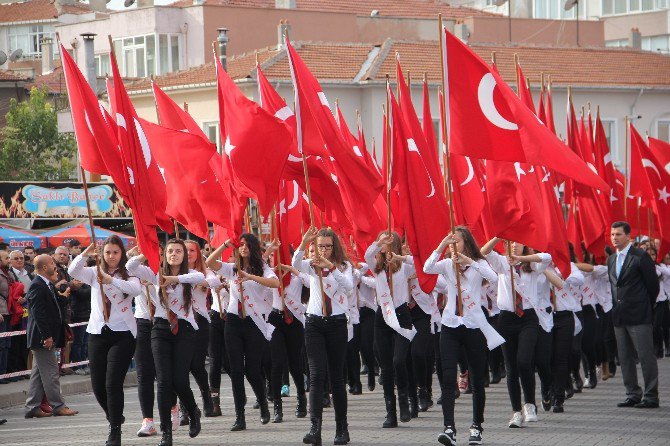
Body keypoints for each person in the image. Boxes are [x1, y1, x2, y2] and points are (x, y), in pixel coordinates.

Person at [424, 228, 501, 446]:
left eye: (455, 241)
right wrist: (440, 246)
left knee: (477, 379)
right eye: (450, 242)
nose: (452, 246)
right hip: (450, 325)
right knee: (448, 379)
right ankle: (449, 428)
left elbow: (493, 278)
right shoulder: (448, 265)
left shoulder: (479, 264)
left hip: (473, 326)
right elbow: (427, 268)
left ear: (466, 243)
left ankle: (477, 426)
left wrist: (471, 261)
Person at [128, 239, 205, 446]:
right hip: (160, 328)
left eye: (178, 251)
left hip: (184, 329)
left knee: (179, 380)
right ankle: (166, 433)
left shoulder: (188, 277)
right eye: (170, 251)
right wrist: (146, 253)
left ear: (184, 255)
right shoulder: (154, 273)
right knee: (163, 381)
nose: (174, 254)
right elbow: (130, 267)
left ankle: (193, 411)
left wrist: (173, 278)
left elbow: (200, 276)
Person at [69, 237, 141, 446]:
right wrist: (84, 253)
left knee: (112, 383)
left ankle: (115, 431)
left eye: (115, 252)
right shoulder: (93, 272)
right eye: (108, 252)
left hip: (123, 333)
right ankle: (114, 415)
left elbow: (134, 290)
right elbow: (73, 271)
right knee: (98, 385)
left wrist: (111, 281)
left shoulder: (130, 273)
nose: (111, 257)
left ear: (122, 254)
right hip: (98, 332)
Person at [206, 234, 279, 432]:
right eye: (240, 245)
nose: (243, 247)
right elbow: (209, 262)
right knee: (236, 371)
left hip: (254, 322)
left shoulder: (263, 268)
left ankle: (263, 402)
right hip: (233, 321)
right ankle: (240, 416)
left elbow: (275, 284)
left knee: (252, 370)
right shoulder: (232, 268)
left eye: (247, 245)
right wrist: (224, 244)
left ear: (254, 248)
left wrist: (249, 277)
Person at [481, 237, 551, 428]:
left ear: (524, 245)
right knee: (511, 367)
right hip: (506, 319)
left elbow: (547, 257)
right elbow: (484, 252)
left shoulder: (531, 265)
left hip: (528, 318)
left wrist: (522, 258)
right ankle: (516, 412)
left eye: (518, 242)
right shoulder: (502, 263)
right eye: (510, 242)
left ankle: (529, 404)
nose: (514, 245)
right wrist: (497, 236)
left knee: (524, 360)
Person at [293, 227, 353, 446]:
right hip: (314, 322)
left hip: (337, 323)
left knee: (336, 378)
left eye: (328, 246)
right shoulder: (311, 266)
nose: (324, 250)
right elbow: (295, 263)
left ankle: (341, 428)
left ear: (334, 247)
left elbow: (348, 288)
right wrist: (303, 243)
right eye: (320, 246)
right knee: (317, 375)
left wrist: (331, 268)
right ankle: (315, 427)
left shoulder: (344, 267)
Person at [608, 221, 660, 409]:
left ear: (628, 236)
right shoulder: (611, 259)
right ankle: (632, 394)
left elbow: (653, 286)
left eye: (619, 234)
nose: (615, 237)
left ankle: (651, 396)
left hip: (639, 315)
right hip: (619, 316)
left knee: (645, 356)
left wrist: (645, 306)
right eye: (612, 234)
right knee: (625, 357)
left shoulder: (640, 257)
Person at [24, 254, 78, 418]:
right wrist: (47, 336)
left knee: (39, 374)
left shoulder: (47, 284)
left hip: (45, 337)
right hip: (42, 338)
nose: (55, 266)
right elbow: (38, 314)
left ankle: (32, 406)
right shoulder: (37, 285)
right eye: (52, 263)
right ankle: (58, 405)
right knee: (51, 372)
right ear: (44, 267)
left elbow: (53, 307)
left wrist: (64, 297)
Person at [179, 240, 221, 423]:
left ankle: (207, 397)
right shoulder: (174, 272)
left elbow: (214, 281)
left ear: (197, 253)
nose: (188, 254)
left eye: (191, 250)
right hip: (181, 322)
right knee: (181, 367)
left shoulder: (205, 272)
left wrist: (194, 278)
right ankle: (185, 410)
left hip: (200, 321)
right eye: (184, 250)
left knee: (197, 365)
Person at [126, 246, 159, 437]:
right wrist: (143, 247)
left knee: (164, 374)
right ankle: (148, 420)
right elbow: (129, 263)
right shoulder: (134, 270)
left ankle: (173, 407)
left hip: (163, 323)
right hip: (142, 323)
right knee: (144, 375)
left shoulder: (164, 270)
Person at [7, 251, 31, 380]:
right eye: (16, 258)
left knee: (24, 343)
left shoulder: (28, 273)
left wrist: (27, 297)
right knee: (14, 343)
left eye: (21, 258)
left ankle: (22, 370)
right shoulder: (10, 274)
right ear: (10, 260)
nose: (19, 260)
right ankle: (13, 371)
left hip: (27, 312)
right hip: (15, 312)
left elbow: (32, 290)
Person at [0, 250, 13, 383]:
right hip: (1, 313)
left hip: (9, 312)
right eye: (6, 258)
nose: (9, 260)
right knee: (1, 344)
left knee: (7, 344)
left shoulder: (8, 273)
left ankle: (4, 374)